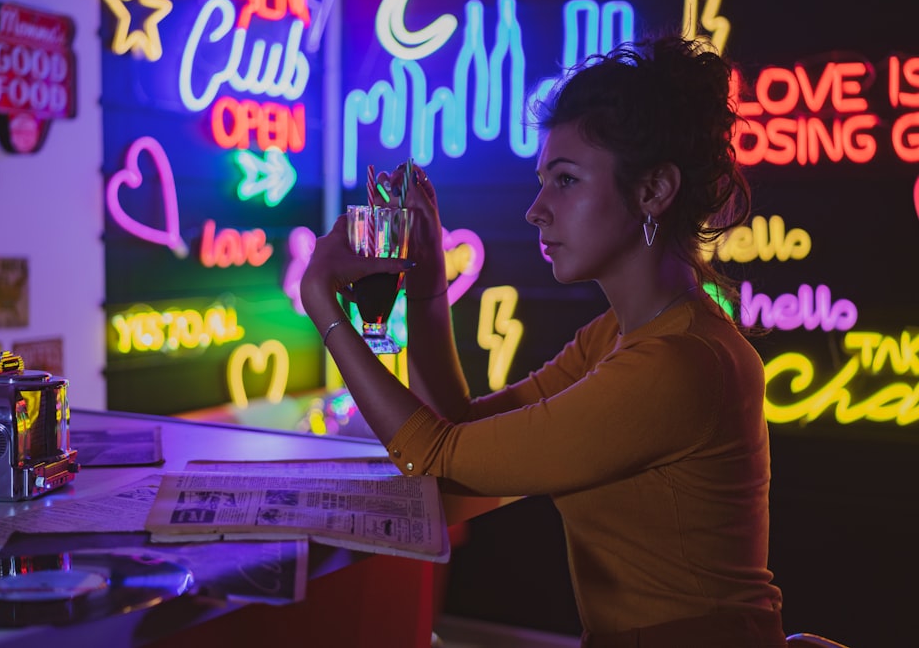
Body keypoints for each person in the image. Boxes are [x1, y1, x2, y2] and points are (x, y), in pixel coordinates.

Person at [300, 34, 786, 648]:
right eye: (542, 180)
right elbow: (456, 440)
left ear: (653, 191)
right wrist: (426, 289)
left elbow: (435, 453)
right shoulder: (616, 337)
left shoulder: (680, 365)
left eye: (565, 180)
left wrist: (324, 307)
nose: (535, 209)